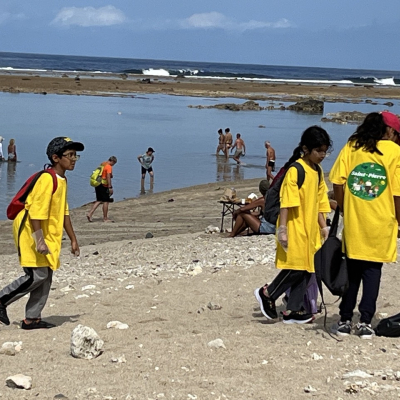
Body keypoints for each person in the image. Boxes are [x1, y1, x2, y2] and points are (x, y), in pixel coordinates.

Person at [0, 136, 84, 329]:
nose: (73, 159)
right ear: (56, 157)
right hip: (30, 230)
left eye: (75, 156)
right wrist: (39, 240)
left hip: (45, 233)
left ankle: (32, 318)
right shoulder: (47, 179)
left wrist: (73, 239)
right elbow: (35, 213)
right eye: (69, 155)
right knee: (36, 275)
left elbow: (64, 212)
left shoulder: (62, 180)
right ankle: (1, 300)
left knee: (46, 275)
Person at [329, 111, 400, 339]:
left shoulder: (352, 146)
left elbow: (337, 181)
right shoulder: (395, 152)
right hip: (381, 220)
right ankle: (366, 321)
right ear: (388, 131)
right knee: (373, 271)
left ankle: (345, 319)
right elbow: (397, 194)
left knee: (352, 270)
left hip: (355, 220)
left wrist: (343, 206)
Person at [254, 126, 332, 324]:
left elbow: (319, 201)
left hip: (311, 228)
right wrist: (283, 231)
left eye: (325, 151)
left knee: (308, 268)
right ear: (306, 149)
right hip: (294, 225)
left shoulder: (317, 170)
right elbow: (286, 202)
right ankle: (268, 292)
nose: (322, 155)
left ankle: (293, 309)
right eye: (319, 151)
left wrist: (324, 227)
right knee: (296, 267)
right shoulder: (296, 170)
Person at [87, 156, 117, 222]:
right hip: (103, 185)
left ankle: (90, 213)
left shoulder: (103, 164)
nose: (113, 165)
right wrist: (110, 187)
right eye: (113, 164)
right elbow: (108, 177)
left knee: (99, 200)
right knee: (106, 201)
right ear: (112, 161)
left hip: (98, 183)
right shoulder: (109, 166)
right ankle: (105, 218)